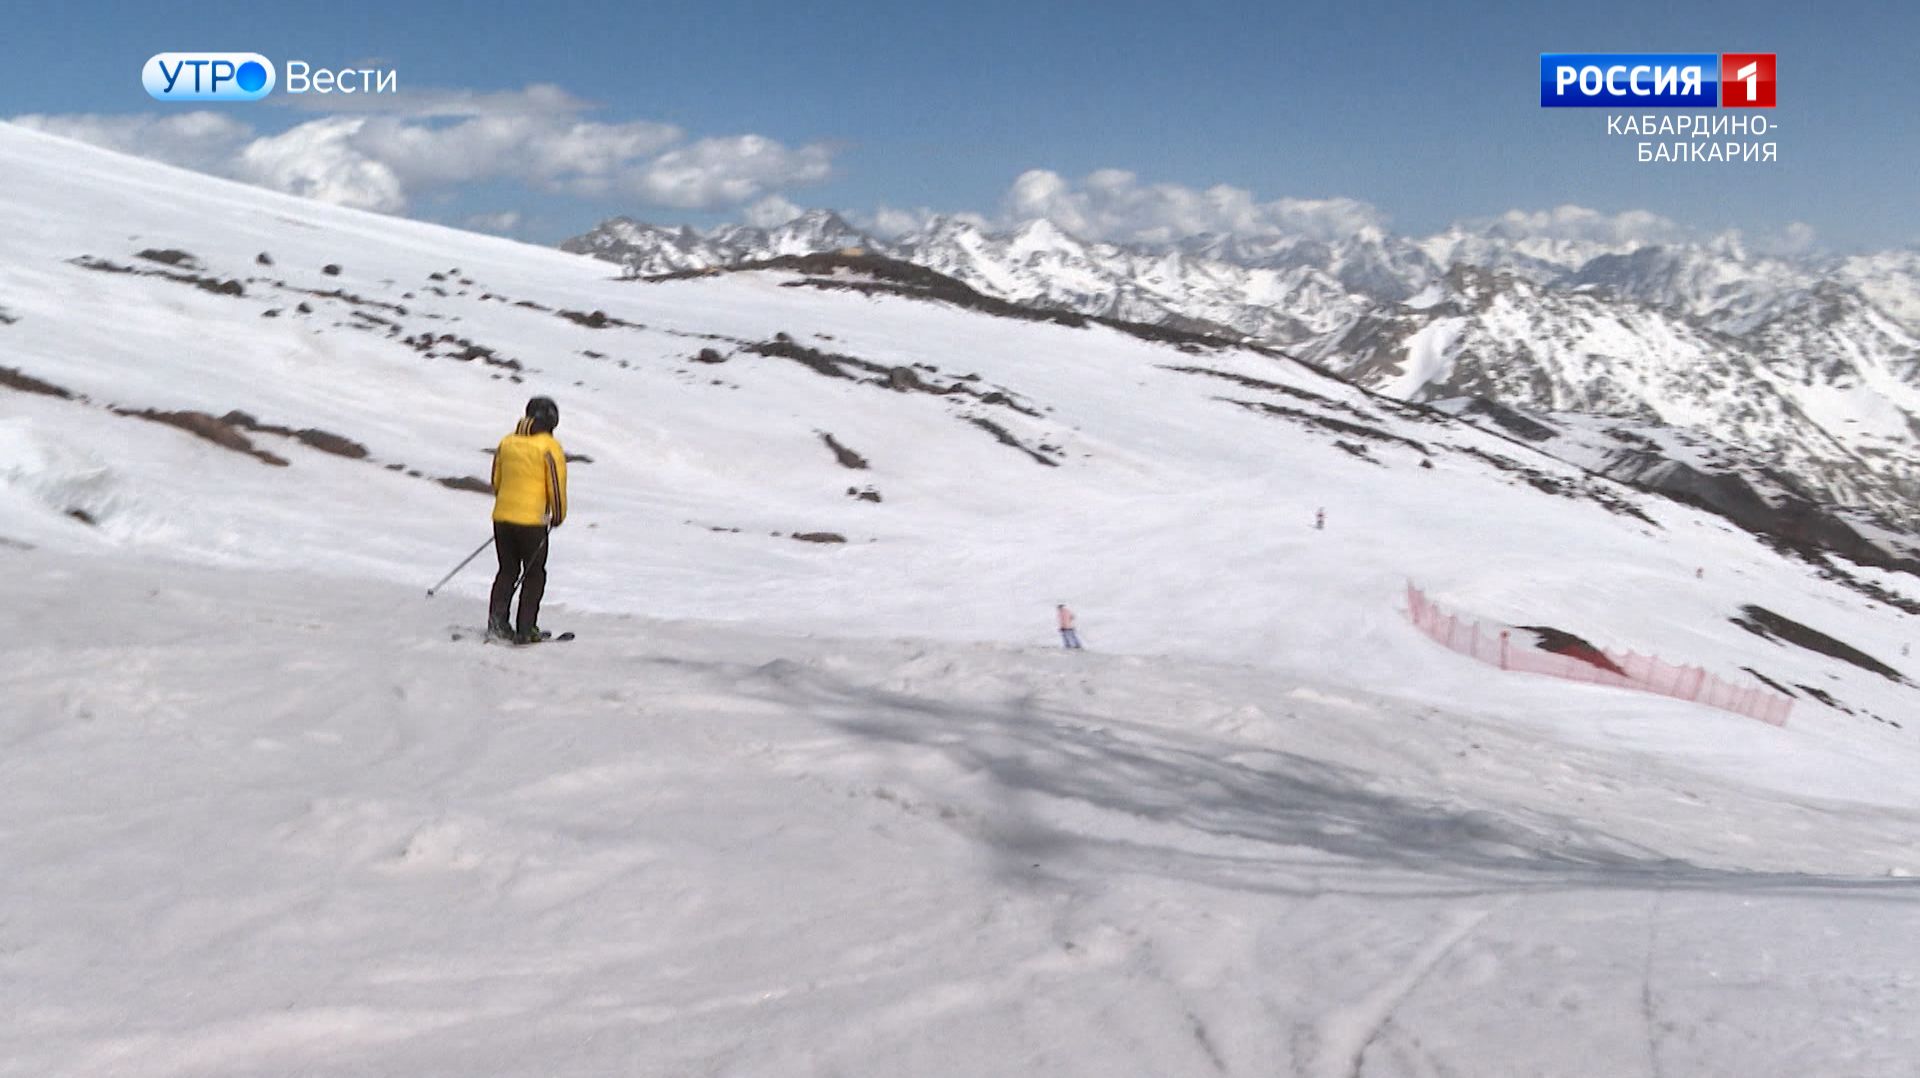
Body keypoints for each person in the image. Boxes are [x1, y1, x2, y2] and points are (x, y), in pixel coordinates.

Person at [489, 396, 568, 642]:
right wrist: (557, 516)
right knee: (534, 574)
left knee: (507, 570)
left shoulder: (507, 442)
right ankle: (526, 628)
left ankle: (497, 624)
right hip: (533, 522)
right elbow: (556, 487)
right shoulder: (549, 447)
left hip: (502, 518)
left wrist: (508, 506)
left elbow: (496, 480)